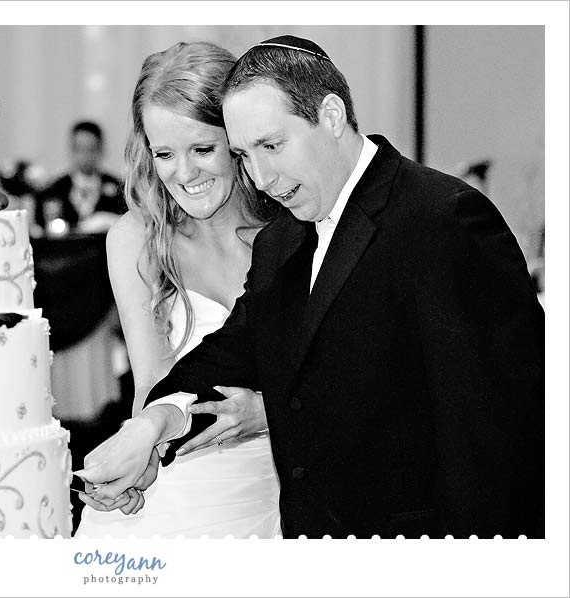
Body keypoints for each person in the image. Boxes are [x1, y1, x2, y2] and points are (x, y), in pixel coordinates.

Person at [78, 35, 545, 539]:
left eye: (272, 146)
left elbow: (499, 428)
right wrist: (153, 425)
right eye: (246, 154)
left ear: (330, 115)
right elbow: (230, 351)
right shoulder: (285, 238)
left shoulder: (445, 216)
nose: (260, 177)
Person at [74, 41, 282, 538]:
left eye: (202, 150)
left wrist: (266, 414)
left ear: (237, 139)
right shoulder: (136, 239)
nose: (183, 174)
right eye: (164, 153)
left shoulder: (290, 232)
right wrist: (140, 456)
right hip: (183, 492)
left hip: (283, 487)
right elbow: (152, 382)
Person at [35, 121, 125, 234]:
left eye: (91, 149)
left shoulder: (119, 188)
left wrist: (109, 220)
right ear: (71, 150)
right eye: (79, 149)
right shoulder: (54, 190)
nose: (85, 156)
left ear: (101, 150)